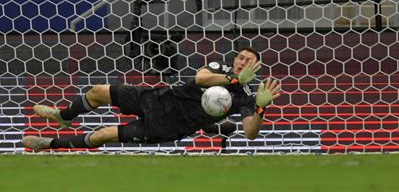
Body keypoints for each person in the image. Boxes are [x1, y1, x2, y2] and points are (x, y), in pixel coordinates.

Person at [22, 47, 281, 151]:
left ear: (256, 65)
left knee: (103, 135)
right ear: (235, 60)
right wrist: (235, 79)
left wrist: (261, 107)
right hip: (159, 98)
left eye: (249, 60)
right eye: (241, 58)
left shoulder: (248, 98)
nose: (243, 62)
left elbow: (250, 133)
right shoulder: (220, 68)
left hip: (169, 126)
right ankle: (64, 116)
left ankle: (48, 144)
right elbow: (200, 79)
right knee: (97, 91)